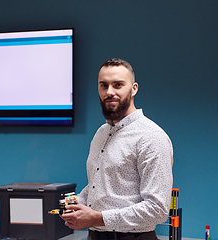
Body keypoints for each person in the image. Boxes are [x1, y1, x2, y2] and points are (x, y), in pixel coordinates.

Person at [60, 58, 173, 240]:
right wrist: (75, 204)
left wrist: (98, 218)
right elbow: (99, 186)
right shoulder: (101, 133)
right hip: (95, 236)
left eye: (118, 85)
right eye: (103, 85)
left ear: (134, 88)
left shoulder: (151, 137)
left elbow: (157, 210)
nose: (109, 92)